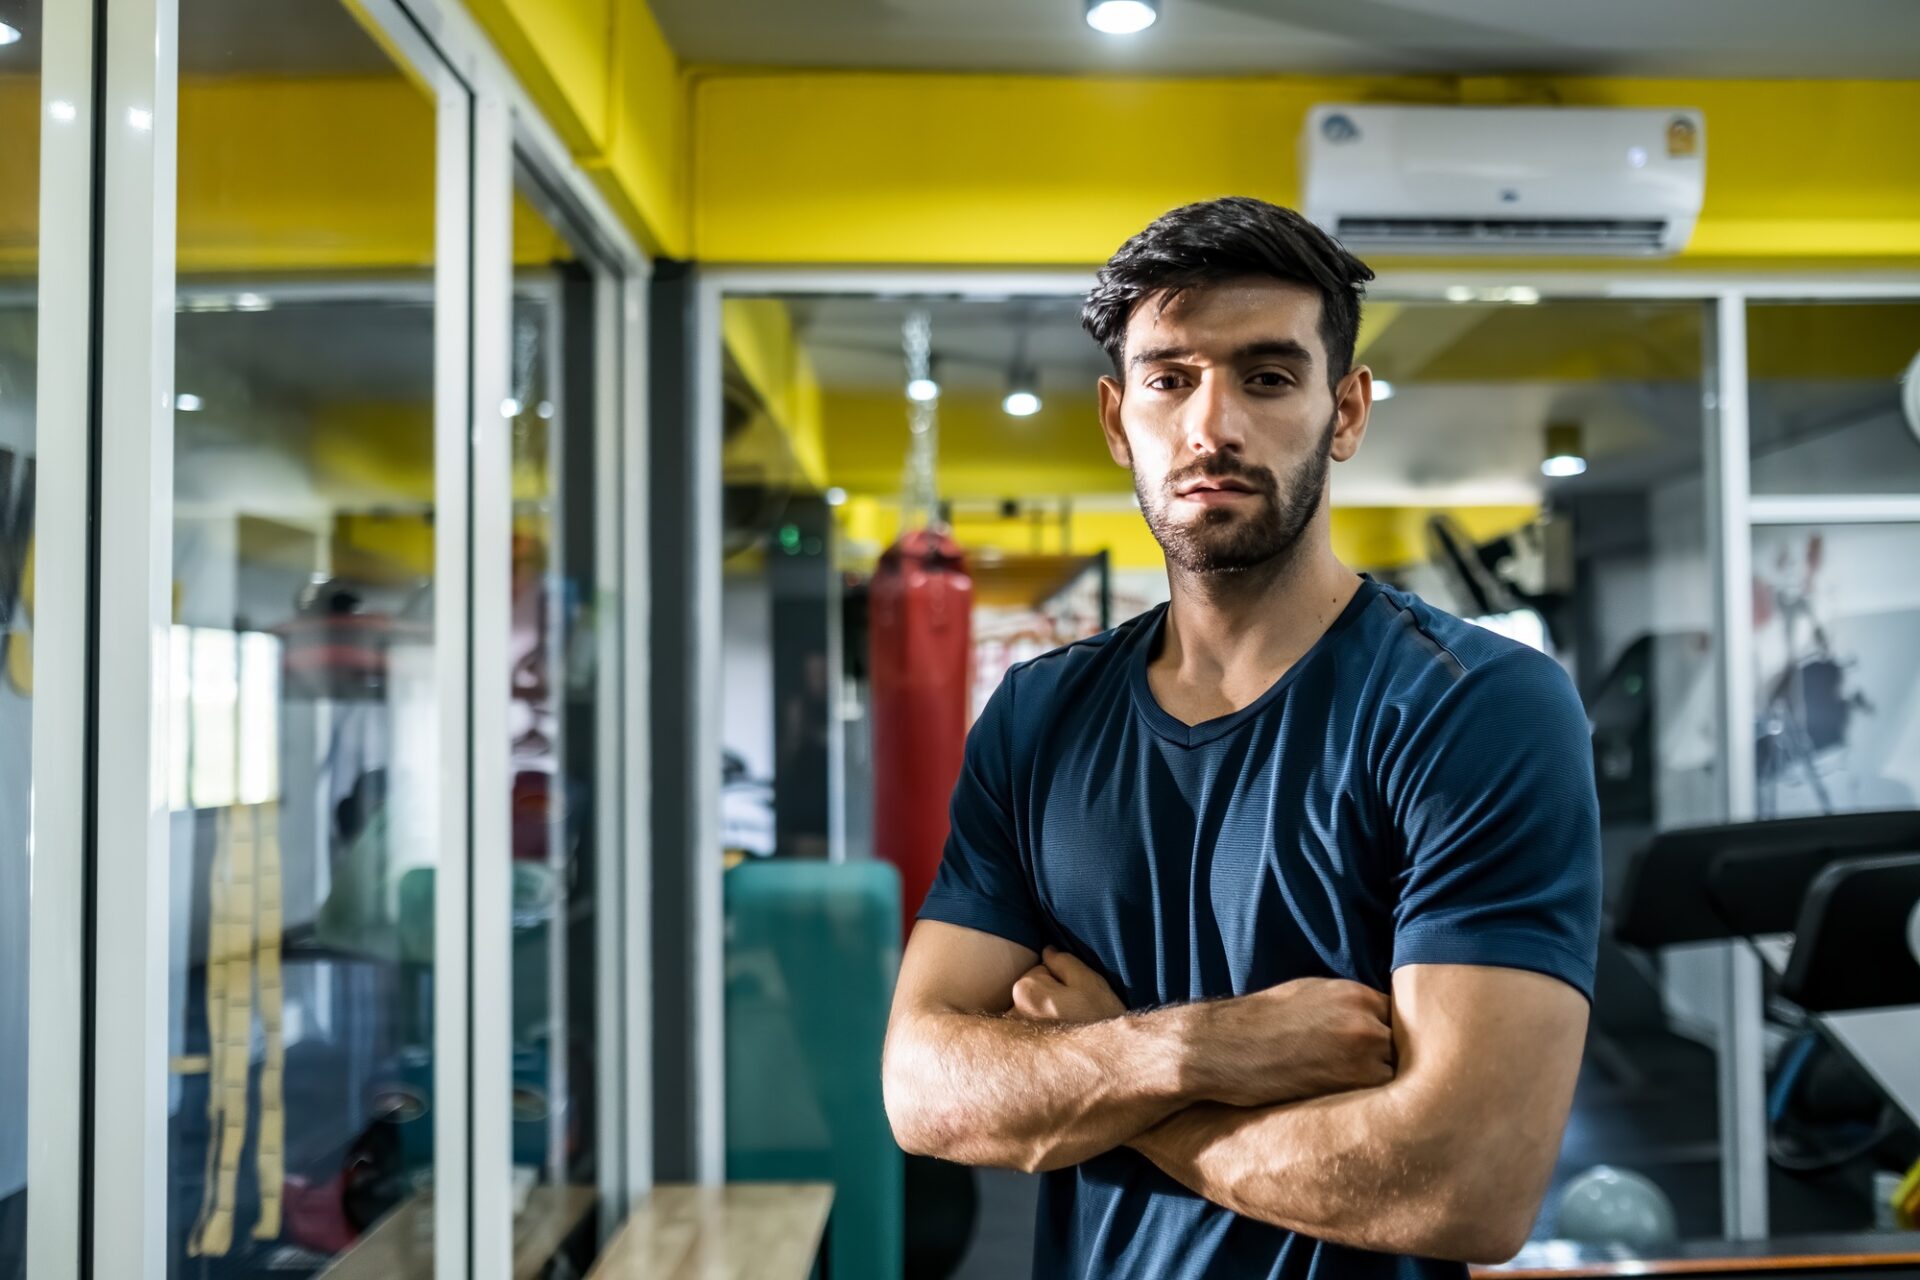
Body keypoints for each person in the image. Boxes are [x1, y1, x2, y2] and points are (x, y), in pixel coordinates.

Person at [881, 196, 1601, 1279]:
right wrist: (1202, 1046)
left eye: (1267, 376)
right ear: (1120, 419)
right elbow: (923, 1089)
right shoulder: (1039, 719)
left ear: (1346, 411)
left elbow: (1467, 1182)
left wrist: (1108, 1074)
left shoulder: (1476, 707)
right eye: (1171, 378)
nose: (1213, 427)